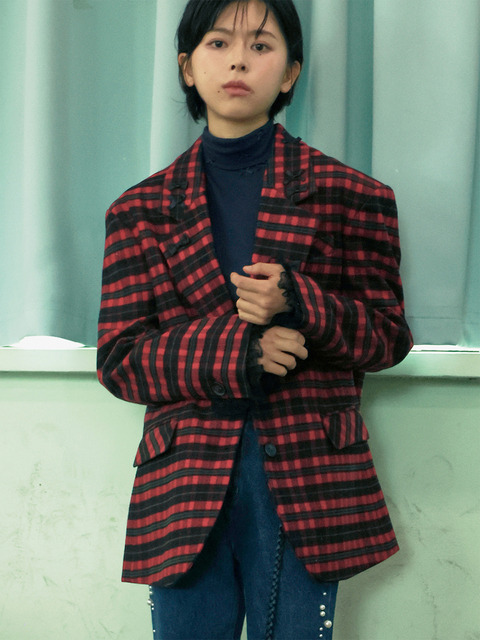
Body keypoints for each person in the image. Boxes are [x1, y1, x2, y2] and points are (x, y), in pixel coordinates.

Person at [97, 0, 413, 638]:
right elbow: (120, 360)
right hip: (184, 481)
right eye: (218, 43)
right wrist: (239, 351)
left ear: (291, 71)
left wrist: (301, 299)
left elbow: (387, 338)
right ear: (187, 67)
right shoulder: (139, 210)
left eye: (261, 46)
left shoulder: (353, 195)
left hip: (308, 475)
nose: (238, 60)